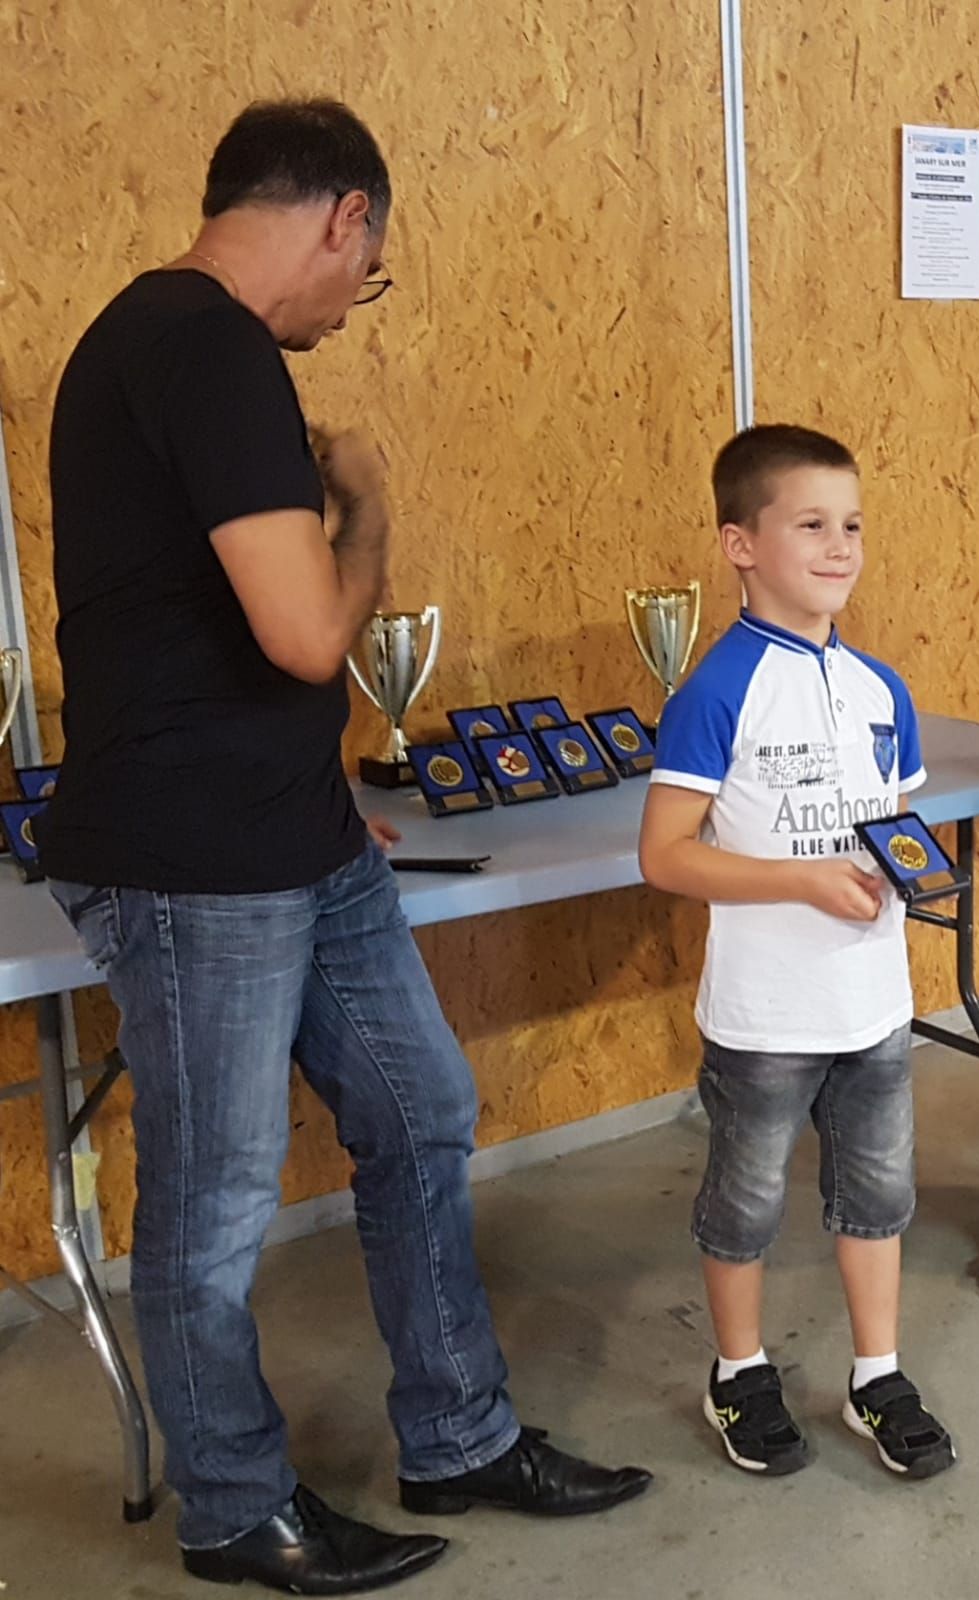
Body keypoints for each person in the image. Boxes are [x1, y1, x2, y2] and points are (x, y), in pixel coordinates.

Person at [41, 99, 649, 1595]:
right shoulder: (211, 349)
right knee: (214, 1200)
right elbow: (311, 633)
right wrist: (369, 506)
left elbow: (199, 631)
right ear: (345, 217)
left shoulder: (161, 343)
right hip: (196, 864)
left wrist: (304, 785)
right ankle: (235, 1508)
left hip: (294, 837)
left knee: (419, 1108)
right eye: (363, 278)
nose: (344, 309)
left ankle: (458, 1433)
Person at [638, 424, 955, 1480]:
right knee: (747, 1201)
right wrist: (801, 879)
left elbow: (893, 826)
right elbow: (665, 855)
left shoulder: (881, 688)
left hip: (873, 1005)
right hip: (766, 1014)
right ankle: (739, 1369)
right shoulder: (716, 691)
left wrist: (911, 871)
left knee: (879, 1195)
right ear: (740, 544)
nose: (840, 546)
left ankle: (878, 1374)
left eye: (852, 525)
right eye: (811, 524)